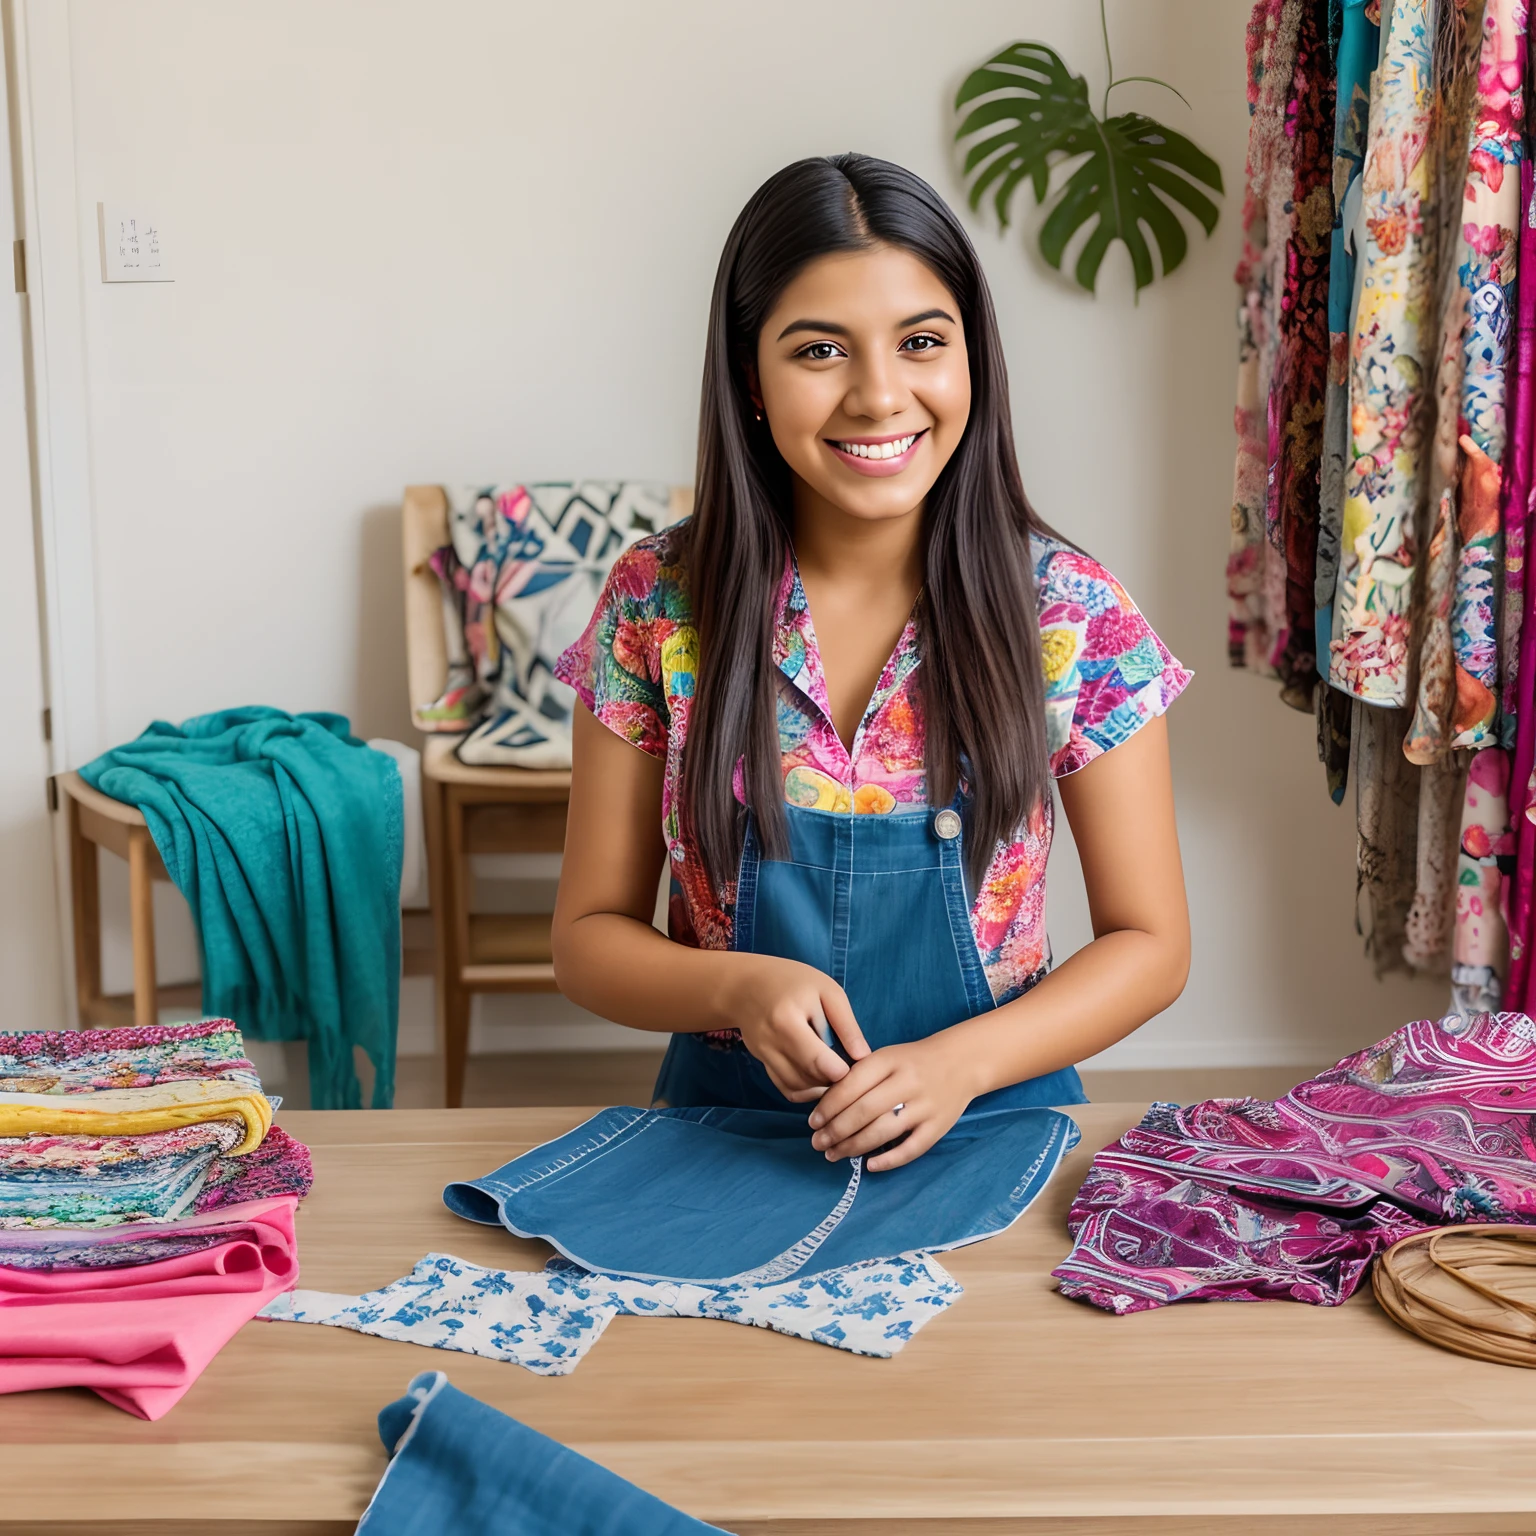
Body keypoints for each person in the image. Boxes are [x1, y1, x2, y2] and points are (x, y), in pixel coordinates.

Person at [551, 153, 1191, 1173]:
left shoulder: (1070, 612)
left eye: (922, 342)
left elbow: (1151, 944)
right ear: (749, 377)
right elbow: (586, 937)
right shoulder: (655, 602)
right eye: (819, 352)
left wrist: (958, 1066)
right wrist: (737, 989)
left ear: (971, 358)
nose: (879, 394)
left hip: (995, 1127)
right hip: (727, 1140)